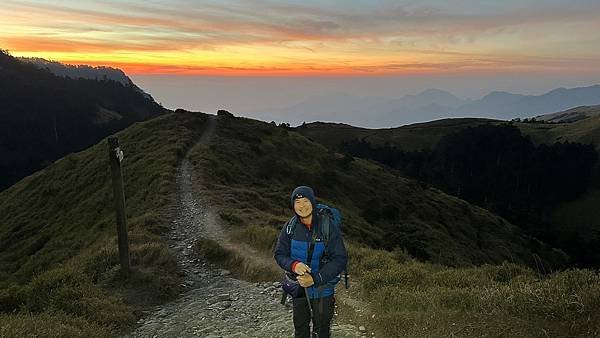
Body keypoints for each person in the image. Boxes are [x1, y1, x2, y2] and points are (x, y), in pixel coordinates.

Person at [274, 185, 348, 338]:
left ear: (313, 202)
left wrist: (314, 279)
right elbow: (280, 254)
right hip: (299, 288)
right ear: (293, 205)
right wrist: (294, 265)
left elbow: (340, 258)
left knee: (322, 330)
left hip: (323, 288)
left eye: (305, 201)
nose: (302, 206)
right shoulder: (290, 227)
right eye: (297, 202)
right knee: (300, 328)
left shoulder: (327, 226)